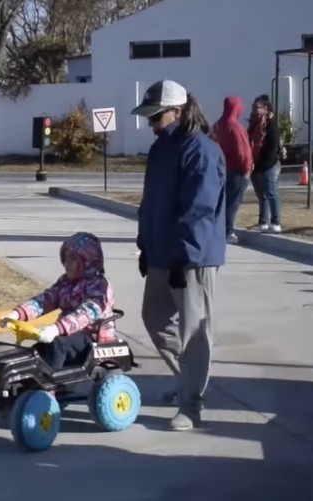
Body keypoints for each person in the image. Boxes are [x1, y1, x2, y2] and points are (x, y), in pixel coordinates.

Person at [131, 80, 226, 431]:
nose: (152, 124)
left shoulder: (200, 150)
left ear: (179, 111)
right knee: (155, 319)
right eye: (149, 118)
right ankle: (189, 380)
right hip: (159, 254)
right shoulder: (160, 150)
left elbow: (198, 210)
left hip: (191, 259)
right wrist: (145, 245)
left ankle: (191, 405)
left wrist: (182, 257)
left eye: (157, 117)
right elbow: (150, 203)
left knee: (194, 332)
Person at [0, 232, 116, 371]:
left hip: (91, 335)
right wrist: (17, 315)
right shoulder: (66, 282)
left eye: (73, 259)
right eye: (65, 259)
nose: (67, 264)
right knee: (39, 349)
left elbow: (86, 313)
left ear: (87, 260)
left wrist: (56, 328)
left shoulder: (99, 286)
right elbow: (47, 299)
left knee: (57, 345)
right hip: (67, 332)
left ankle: (49, 386)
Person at [210, 96, 253, 244]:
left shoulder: (217, 125)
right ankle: (228, 232)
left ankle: (218, 229)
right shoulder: (235, 127)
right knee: (232, 203)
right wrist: (247, 168)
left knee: (222, 201)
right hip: (236, 171)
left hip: (221, 169)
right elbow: (243, 151)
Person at [247, 94, 282, 233]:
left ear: (266, 109)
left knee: (271, 193)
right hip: (255, 165)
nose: (255, 110)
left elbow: (272, 146)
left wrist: (263, 163)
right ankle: (263, 221)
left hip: (268, 165)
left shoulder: (270, 124)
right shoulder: (253, 124)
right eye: (253, 107)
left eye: (258, 107)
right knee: (261, 195)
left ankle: (276, 222)